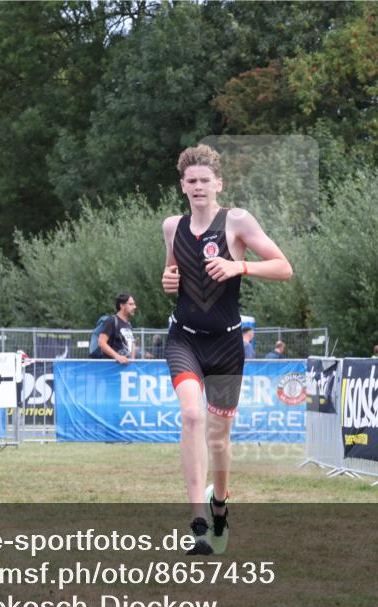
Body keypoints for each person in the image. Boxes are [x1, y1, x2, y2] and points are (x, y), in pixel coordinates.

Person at [161, 144, 292, 555]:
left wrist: (241, 266)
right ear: (182, 186)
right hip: (184, 338)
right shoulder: (171, 226)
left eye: (205, 180)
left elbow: (284, 268)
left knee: (219, 439)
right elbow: (172, 272)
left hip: (227, 345)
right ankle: (198, 518)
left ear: (218, 183)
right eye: (191, 181)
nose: (198, 187)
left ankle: (220, 506)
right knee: (191, 414)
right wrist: (167, 281)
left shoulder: (236, 221)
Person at [97, 293, 137, 364]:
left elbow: (131, 343)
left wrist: (132, 360)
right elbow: (101, 342)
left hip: (125, 369)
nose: (134, 307)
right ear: (122, 306)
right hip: (111, 368)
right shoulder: (111, 321)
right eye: (131, 304)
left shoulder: (128, 324)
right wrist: (117, 357)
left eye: (134, 304)